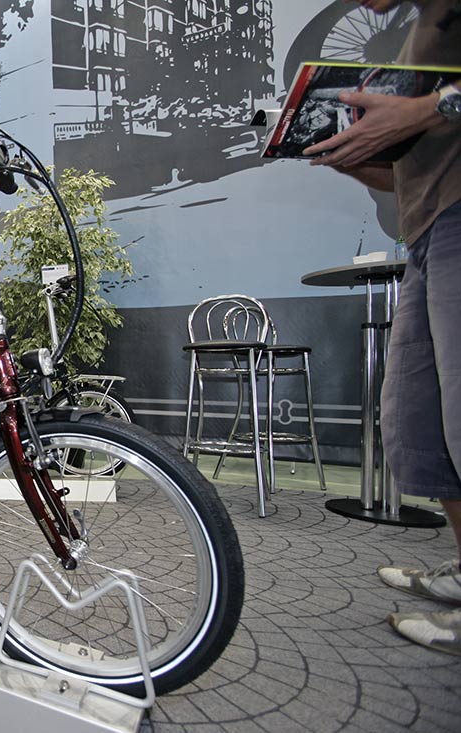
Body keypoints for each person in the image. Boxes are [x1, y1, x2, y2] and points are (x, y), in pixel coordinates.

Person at [304, 0, 461, 655]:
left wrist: (427, 110)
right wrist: (346, 153)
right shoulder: (419, 33)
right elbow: (403, 174)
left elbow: (436, 116)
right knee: (423, 422)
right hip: (426, 229)